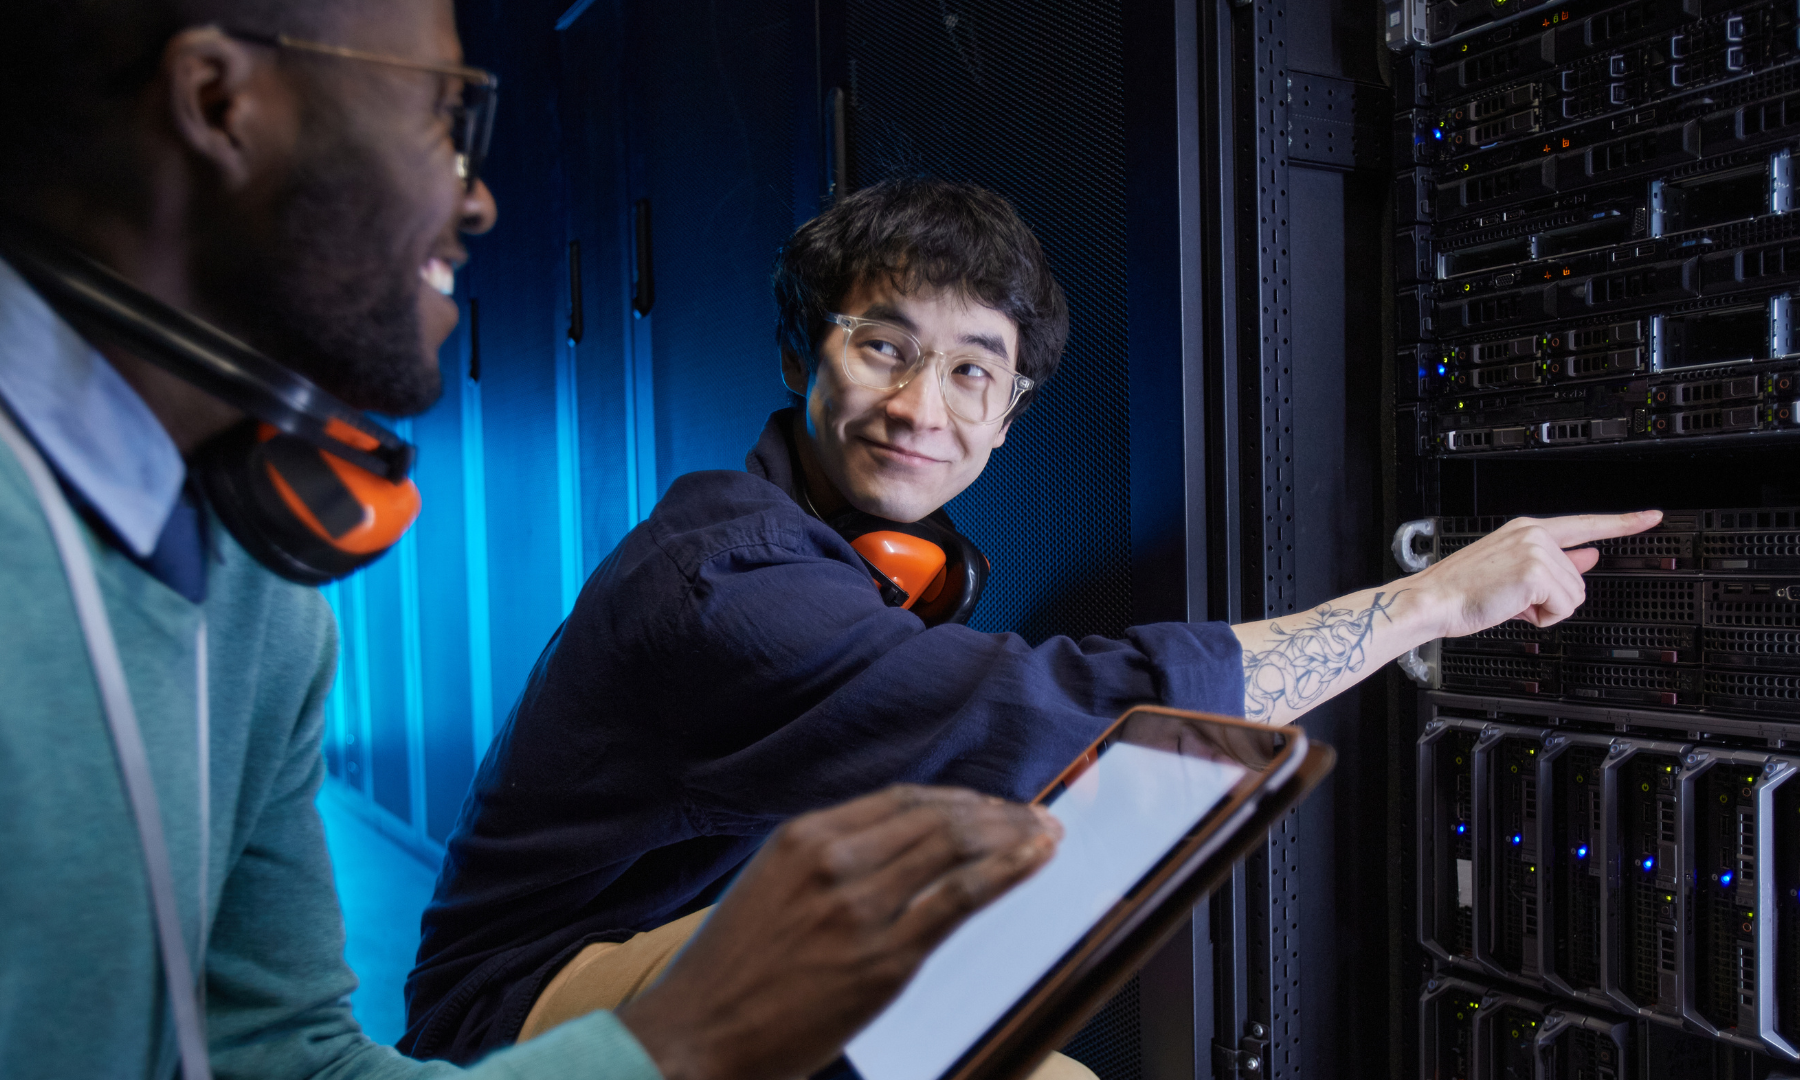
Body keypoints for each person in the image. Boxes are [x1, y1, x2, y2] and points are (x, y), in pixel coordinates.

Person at [0, 4, 1065, 1080]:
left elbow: (293, 1061)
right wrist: (688, 1039)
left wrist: (678, 1039)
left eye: (974, 372)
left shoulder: (260, 603)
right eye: (444, 115)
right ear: (219, 103)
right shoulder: (722, 563)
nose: (476, 198)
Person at [405, 178, 1661, 1061]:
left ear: (1009, 418)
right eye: (881, 344)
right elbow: (1035, 719)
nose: (920, 406)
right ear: (807, 351)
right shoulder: (724, 573)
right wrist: (1435, 599)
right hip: (517, 1018)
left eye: (971, 371)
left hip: (708, 943)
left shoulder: (885, 566)